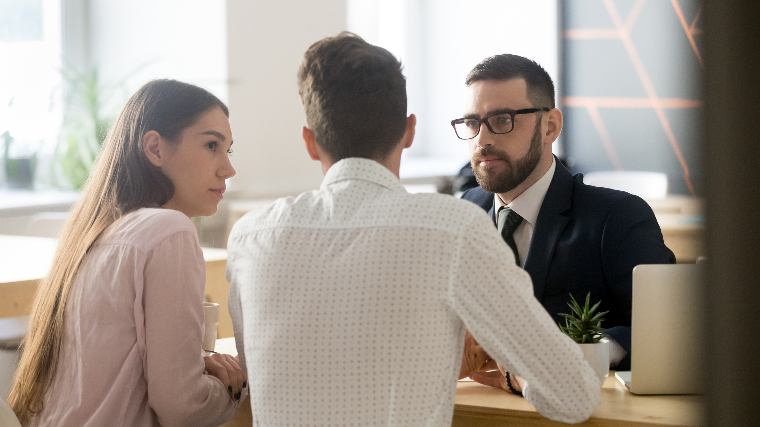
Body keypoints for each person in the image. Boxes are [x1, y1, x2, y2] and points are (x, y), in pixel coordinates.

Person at [226, 32, 599, 426]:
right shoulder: (452, 230)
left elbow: (255, 377)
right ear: (409, 131)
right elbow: (573, 395)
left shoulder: (250, 238)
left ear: (309, 141)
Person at [8, 79, 246, 426]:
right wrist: (234, 385)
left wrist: (196, 368)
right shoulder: (169, 231)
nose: (228, 168)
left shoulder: (94, 232)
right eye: (212, 145)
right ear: (155, 148)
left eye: (229, 151)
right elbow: (182, 406)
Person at [454, 54, 675, 375]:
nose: (482, 139)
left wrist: (586, 353)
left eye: (503, 120)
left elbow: (664, 328)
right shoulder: (465, 212)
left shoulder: (618, 217)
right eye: (472, 123)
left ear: (550, 126)